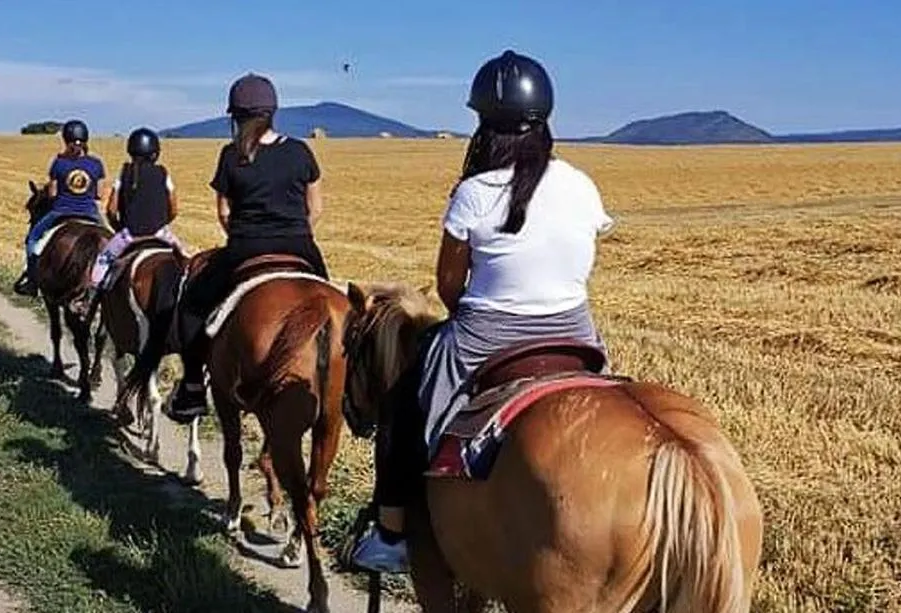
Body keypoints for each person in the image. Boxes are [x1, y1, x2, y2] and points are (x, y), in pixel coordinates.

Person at [349, 49, 616, 574]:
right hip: (575, 330)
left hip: (485, 333)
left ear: (483, 126)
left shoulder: (473, 191)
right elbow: (581, 262)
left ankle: (393, 534)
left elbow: (449, 284)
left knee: (406, 405)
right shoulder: (581, 185)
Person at [164, 72, 330, 423]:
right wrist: (294, 232)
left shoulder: (231, 155)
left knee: (193, 304)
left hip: (245, 247)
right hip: (301, 245)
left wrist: (247, 233)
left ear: (235, 116)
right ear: (273, 112)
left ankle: (193, 387)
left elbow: (224, 212)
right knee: (336, 309)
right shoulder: (301, 151)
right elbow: (316, 209)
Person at [13, 119, 108, 297]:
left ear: (66, 140)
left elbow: (53, 194)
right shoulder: (96, 164)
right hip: (90, 213)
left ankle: (32, 282)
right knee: (111, 245)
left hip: (61, 212)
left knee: (33, 241)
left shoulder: (58, 163)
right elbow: (100, 195)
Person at [91, 127, 186, 287]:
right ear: (155, 153)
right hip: (160, 233)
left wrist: (120, 228)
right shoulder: (163, 172)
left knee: (101, 264)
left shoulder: (124, 172)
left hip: (130, 235)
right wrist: (162, 222)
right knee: (185, 261)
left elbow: (111, 210)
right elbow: (174, 209)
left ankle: (91, 296)